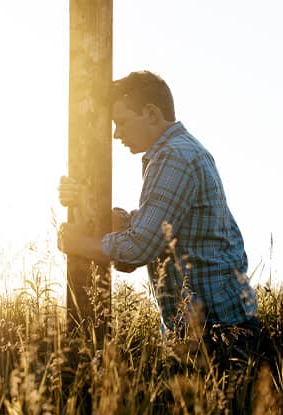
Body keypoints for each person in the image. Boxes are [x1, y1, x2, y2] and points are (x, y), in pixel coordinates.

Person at [58, 71, 258, 358]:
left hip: (218, 334)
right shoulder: (181, 151)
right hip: (213, 328)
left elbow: (140, 245)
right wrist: (83, 199)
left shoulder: (173, 156)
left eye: (122, 121)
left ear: (151, 113)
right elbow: (145, 225)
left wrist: (76, 245)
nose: (116, 133)